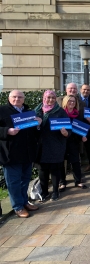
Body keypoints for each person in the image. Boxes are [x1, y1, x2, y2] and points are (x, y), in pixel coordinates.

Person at [0, 90, 42, 218]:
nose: (17, 99)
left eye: (20, 97)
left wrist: (38, 124)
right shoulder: (2, 110)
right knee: (13, 182)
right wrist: (7, 131)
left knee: (25, 180)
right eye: (14, 97)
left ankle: (24, 202)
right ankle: (18, 207)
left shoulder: (28, 113)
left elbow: (34, 133)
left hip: (27, 152)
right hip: (11, 154)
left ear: (23, 99)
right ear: (9, 98)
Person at [35, 90, 70, 202]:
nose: (50, 100)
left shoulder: (60, 112)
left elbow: (68, 129)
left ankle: (55, 192)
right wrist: (37, 125)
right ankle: (45, 192)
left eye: (53, 98)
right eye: (48, 97)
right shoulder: (36, 111)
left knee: (55, 169)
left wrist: (66, 133)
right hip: (40, 146)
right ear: (43, 98)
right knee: (43, 170)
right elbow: (29, 129)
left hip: (56, 144)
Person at [59, 95, 88, 191]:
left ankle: (78, 181)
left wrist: (83, 136)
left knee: (75, 161)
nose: (72, 103)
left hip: (74, 140)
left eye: (73, 101)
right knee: (61, 161)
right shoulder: (60, 113)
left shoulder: (78, 114)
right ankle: (62, 182)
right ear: (65, 102)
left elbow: (80, 128)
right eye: (69, 101)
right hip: (62, 141)